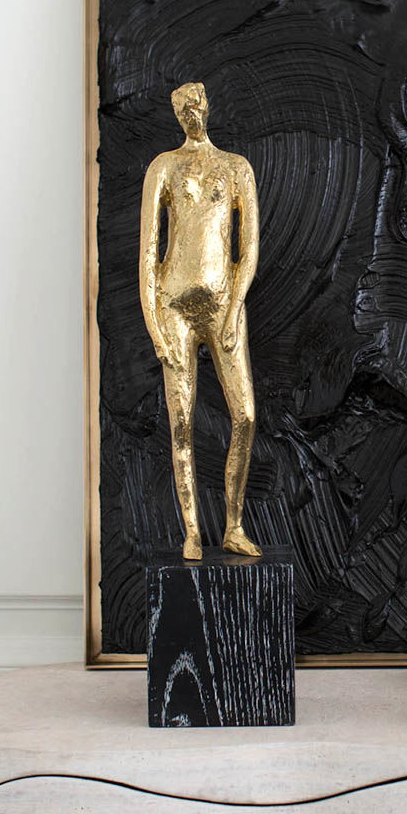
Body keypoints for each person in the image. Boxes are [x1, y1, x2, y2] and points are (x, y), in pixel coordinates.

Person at [139, 82, 261, 559]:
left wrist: (234, 308)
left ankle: (234, 524)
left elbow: (247, 248)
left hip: (225, 305)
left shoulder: (236, 168)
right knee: (181, 423)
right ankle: (191, 530)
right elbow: (149, 254)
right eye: (183, 107)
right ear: (176, 115)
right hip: (175, 308)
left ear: (208, 106)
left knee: (245, 416)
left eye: (197, 103)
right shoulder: (163, 167)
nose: (192, 111)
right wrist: (155, 326)